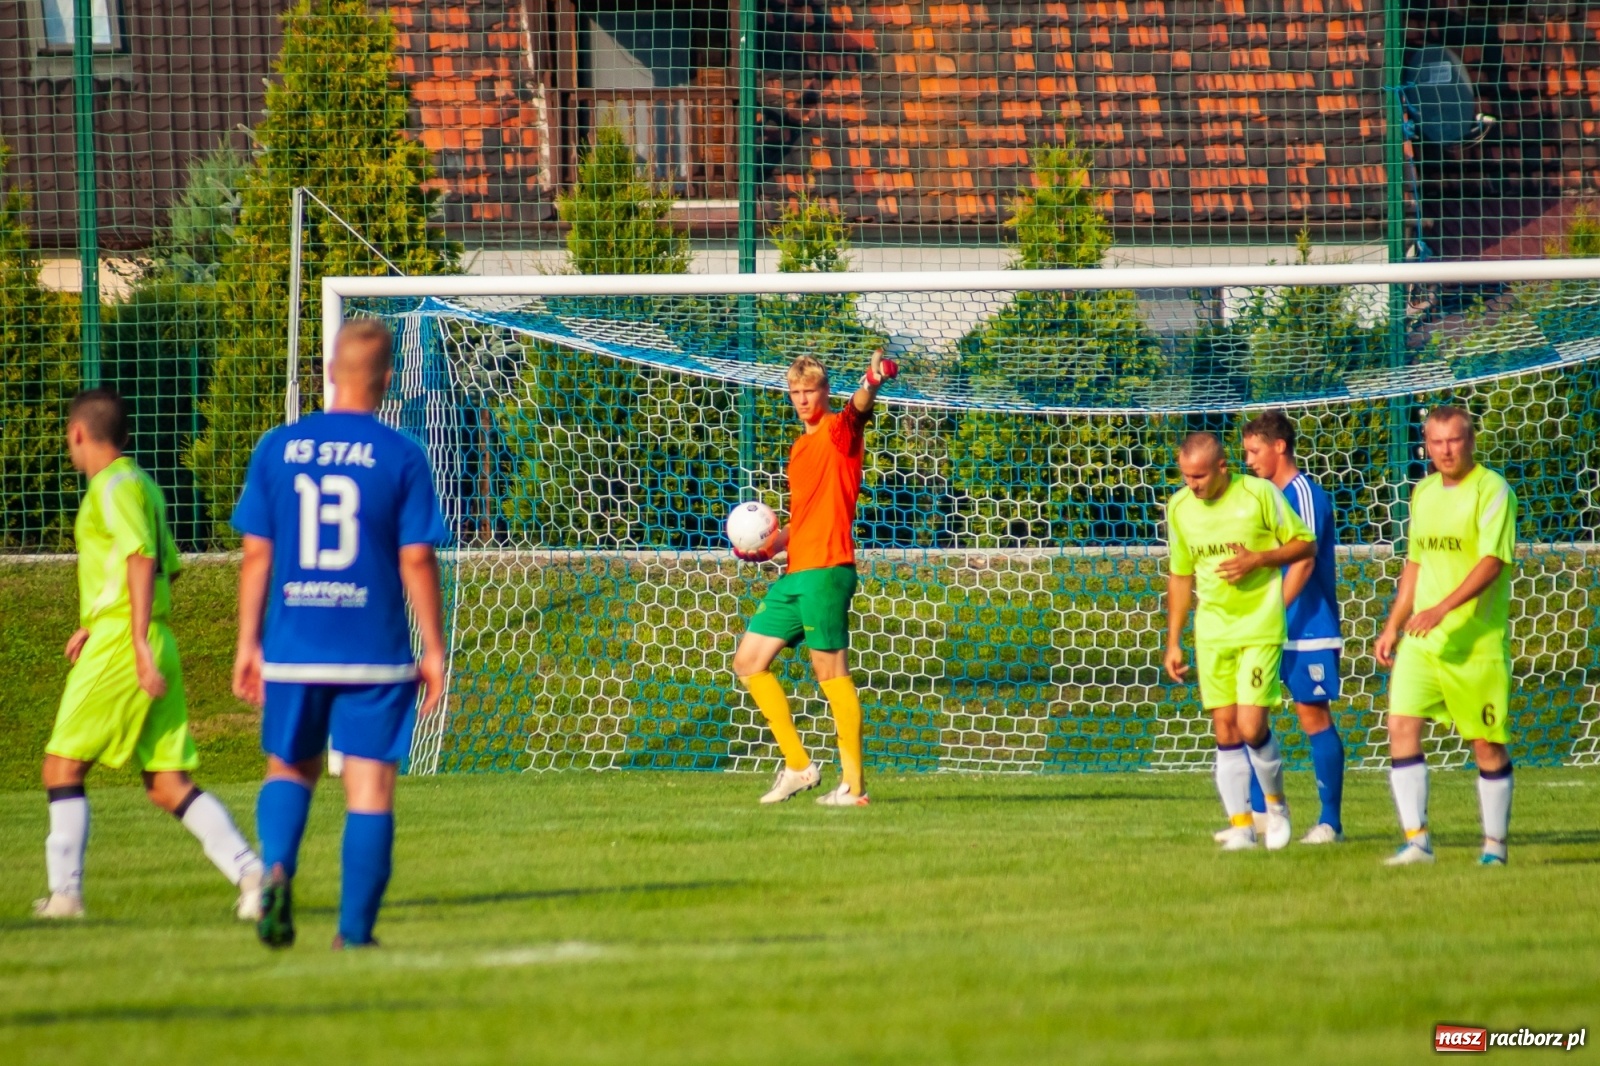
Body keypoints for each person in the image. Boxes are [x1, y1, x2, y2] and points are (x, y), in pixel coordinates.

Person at [231, 320, 449, 947]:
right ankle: (353, 935)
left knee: (289, 770)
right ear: (387, 382)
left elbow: (256, 554)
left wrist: (249, 642)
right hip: (374, 653)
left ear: (329, 372)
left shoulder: (279, 446)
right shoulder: (402, 454)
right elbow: (415, 559)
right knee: (371, 785)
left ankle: (275, 867)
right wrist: (432, 649)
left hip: (295, 646)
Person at [36, 388, 263, 920]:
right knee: (167, 785)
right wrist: (98, 621)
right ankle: (251, 873)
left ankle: (66, 896)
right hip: (147, 634)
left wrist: (129, 637)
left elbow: (140, 557)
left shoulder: (110, 487)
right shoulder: (143, 484)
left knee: (60, 766)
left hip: (127, 642)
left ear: (78, 434)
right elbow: (165, 569)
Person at [729, 350, 897, 807]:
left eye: (811, 391)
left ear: (825, 392)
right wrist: (771, 544)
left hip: (827, 570)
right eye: (796, 393)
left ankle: (854, 788)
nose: (803, 399)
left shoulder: (839, 434)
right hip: (795, 572)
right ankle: (800, 767)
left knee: (831, 673)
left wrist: (872, 380)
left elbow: (858, 409)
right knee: (748, 661)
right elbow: (801, 519)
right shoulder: (799, 449)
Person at [1375, 406, 1517, 866]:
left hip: (1473, 643)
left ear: (1470, 440)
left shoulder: (1492, 490)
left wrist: (1441, 609)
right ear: (1426, 445)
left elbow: (1492, 561)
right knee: (1400, 725)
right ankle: (1417, 841)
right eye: (1437, 442)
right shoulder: (1424, 492)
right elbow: (1415, 563)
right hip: (1423, 640)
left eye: (1454, 440)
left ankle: (1494, 847)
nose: (1446, 450)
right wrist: (1394, 623)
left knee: (1486, 744)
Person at [1163, 431, 1316, 851]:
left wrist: (1259, 559)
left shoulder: (1259, 494)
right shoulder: (1179, 508)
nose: (1191, 484)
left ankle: (1277, 807)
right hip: (1212, 631)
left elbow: (1306, 544)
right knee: (1226, 729)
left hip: (1260, 626)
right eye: (1185, 476)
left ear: (1222, 468)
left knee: (1252, 726)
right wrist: (1173, 641)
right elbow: (1180, 575)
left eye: (1198, 476)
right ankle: (1242, 827)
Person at [1239, 411, 1347, 844]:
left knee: (1312, 716)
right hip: (1267, 629)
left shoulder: (1302, 494)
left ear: (1279, 446)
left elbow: (1302, 560)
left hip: (1307, 626)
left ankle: (1330, 823)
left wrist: (1273, 611)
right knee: (1250, 716)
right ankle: (1262, 815)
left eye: (1254, 450)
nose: (1248, 460)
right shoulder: (1262, 497)